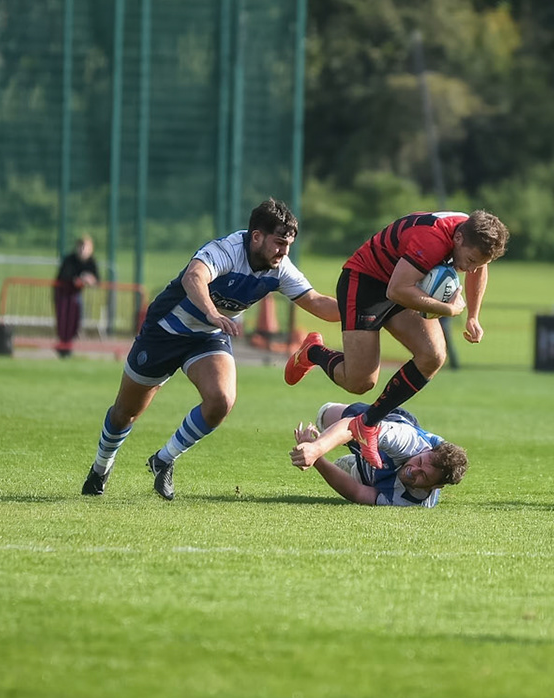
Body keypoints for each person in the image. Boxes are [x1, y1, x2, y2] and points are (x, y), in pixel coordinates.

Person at [80, 198, 338, 500]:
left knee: (221, 400)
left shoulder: (279, 269)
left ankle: (164, 459)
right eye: (279, 243)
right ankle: (100, 468)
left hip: (208, 337)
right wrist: (212, 312)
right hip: (165, 331)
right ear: (256, 237)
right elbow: (194, 276)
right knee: (125, 413)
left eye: (288, 245)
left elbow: (317, 302)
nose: (284, 252)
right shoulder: (227, 250)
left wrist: (366, 312)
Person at [283, 209, 509, 470]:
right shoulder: (433, 239)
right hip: (366, 282)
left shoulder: (473, 234)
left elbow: (479, 268)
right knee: (359, 382)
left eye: (477, 263)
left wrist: (473, 316)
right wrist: (449, 309)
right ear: (458, 238)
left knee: (433, 356)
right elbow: (397, 290)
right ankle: (313, 351)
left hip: (405, 282)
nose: (469, 268)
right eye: (469, 260)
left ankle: (367, 423)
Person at [289, 401, 468, 506]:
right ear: (425, 451)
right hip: (382, 426)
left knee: (357, 477)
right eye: (420, 462)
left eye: (424, 476)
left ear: (436, 486)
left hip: (374, 475)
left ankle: (358, 467)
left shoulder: (412, 502)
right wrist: (316, 448)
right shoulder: (406, 441)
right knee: (325, 415)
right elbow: (355, 426)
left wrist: (318, 460)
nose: (413, 470)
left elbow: (358, 493)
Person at [53, 234, 100, 359]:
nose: (82, 250)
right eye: (80, 246)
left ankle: (68, 344)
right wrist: (78, 279)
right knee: (64, 319)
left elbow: (97, 279)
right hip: (63, 293)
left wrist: (91, 280)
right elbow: (65, 276)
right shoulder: (69, 260)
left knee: (75, 320)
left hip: (75, 295)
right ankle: (63, 346)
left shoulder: (91, 262)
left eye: (85, 247)